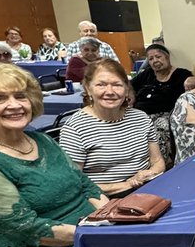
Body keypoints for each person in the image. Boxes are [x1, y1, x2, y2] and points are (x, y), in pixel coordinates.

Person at [0, 64, 108, 247]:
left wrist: (111, 218)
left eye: (20, 96)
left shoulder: (41, 140)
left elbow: (85, 185)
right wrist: (97, 234)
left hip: (89, 233)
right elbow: (29, 230)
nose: (14, 105)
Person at [59, 59, 164, 194]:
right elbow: (74, 183)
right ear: (88, 89)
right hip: (103, 199)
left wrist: (150, 173)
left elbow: (158, 161)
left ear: (127, 89)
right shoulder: (75, 128)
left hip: (148, 188)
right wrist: (128, 185)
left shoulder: (141, 118)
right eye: (101, 85)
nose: (110, 91)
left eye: (117, 85)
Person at [131, 43, 192, 166]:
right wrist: (130, 97)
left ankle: (158, 165)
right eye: (151, 59)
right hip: (140, 114)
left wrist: (193, 80)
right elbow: (128, 86)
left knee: (160, 127)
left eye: (158, 57)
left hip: (166, 114)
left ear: (167, 57)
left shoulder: (182, 74)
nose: (155, 61)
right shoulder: (146, 74)